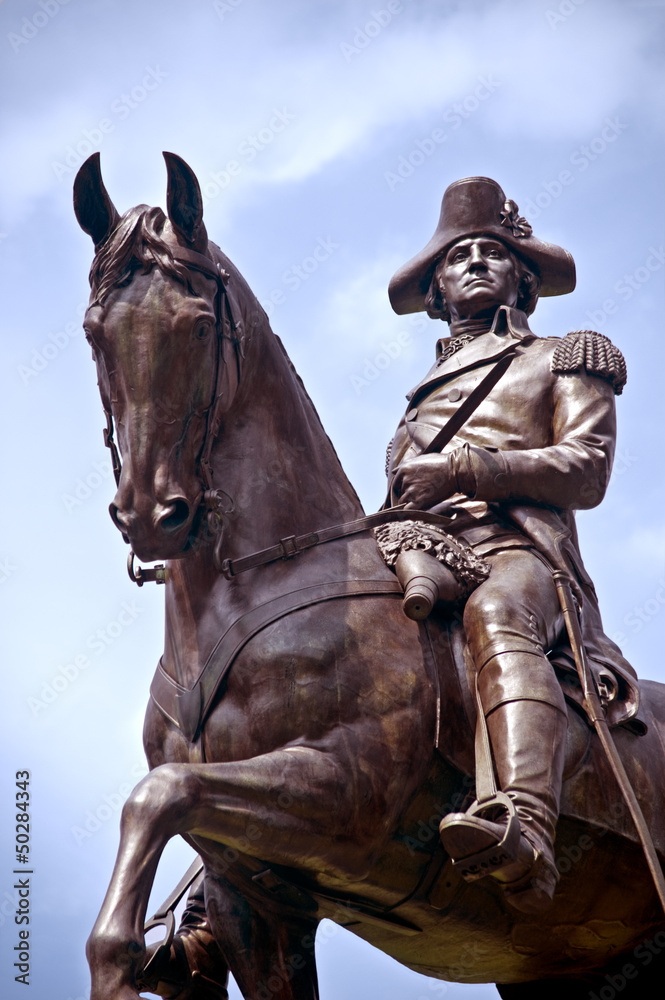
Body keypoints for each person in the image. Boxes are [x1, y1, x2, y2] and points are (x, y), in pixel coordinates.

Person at [385, 176, 640, 913]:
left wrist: (465, 469)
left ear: (521, 276)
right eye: (456, 255)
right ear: (435, 288)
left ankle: (523, 823)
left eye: (490, 253)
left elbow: (585, 470)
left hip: (517, 550)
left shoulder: (566, 355)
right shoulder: (414, 403)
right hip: (421, 551)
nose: (471, 262)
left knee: (499, 614)